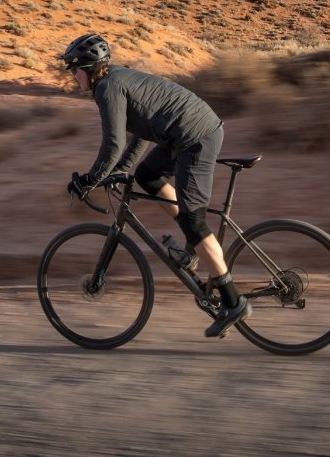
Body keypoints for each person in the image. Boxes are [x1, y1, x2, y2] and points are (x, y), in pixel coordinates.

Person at [61, 32, 251, 338]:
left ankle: (233, 302)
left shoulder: (107, 88)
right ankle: (191, 251)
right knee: (147, 176)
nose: (73, 76)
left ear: (86, 68)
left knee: (194, 220)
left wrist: (90, 179)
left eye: (74, 70)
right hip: (184, 133)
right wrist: (121, 170)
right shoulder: (116, 80)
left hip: (194, 136)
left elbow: (113, 143)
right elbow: (140, 132)